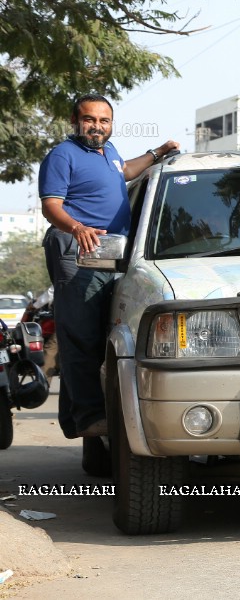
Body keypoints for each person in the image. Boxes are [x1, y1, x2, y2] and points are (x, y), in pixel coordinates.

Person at [39, 94, 180, 440]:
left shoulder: (109, 152)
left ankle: (79, 419)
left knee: (100, 339)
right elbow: (50, 206)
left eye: (104, 121)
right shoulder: (63, 155)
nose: (97, 127)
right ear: (75, 121)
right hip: (78, 248)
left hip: (113, 253)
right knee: (81, 336)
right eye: (89, 120)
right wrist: (77, 228)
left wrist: (157, 154)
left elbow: (125, 172)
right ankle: (88, 417)